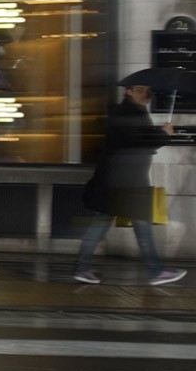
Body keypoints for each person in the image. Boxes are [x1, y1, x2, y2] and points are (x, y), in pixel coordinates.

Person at [74, 83, 186, 286]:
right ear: (128, 91)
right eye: (139, 90)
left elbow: (138, 139)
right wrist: (163, 134)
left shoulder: (130, 111)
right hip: (124, 181)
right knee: (137, 227)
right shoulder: (127, 113)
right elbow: (139, 142)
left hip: (119, 180)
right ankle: (155, 271)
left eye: (148, 90)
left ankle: (83, 268)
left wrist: (159, 133)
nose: (145, 94)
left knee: (104, 225)